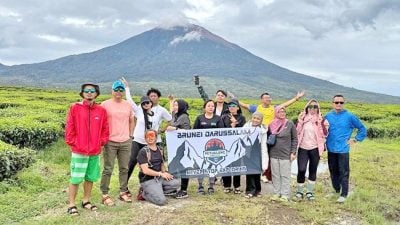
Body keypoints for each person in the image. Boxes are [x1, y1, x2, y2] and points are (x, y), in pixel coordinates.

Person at [229, 91, 305, 183]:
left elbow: (285, 105)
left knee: (269, 153)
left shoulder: (274, 108)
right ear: (261, 100)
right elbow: (244, 105)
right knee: (257, 153)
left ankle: (266, 174)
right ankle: (257, 171)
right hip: (258, 133)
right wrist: (234, 98)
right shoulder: (257, 108)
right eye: (266, 98)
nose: (269, 99)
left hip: (270, 134)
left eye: (269, 98)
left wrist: (296, 98)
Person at [65, 83, 109, 215]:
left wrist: (101, 142)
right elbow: (69, 127)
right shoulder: (75, 108)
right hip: (79, 150)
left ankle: (86, 200)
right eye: (86, 91)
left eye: (92, 91)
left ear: (96, 94)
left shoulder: (101, 111)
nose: (89, 93)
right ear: (82, 93)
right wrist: (73, 142)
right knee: (75, 178)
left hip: (94, 151)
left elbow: (105, 129)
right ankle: (71, 204)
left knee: (90, 177)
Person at [121, 78, 172, 185]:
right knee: (132, 162)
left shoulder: (161, 110)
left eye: (155, 96)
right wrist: (127, 88)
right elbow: (129, 101)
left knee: (157, 163)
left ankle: (159, 183)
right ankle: (124, 186)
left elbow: (170, 120)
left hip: (154, 141)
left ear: (158, 97)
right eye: (150, 96)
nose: (152, 98)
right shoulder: (140, 109)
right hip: (139, 140)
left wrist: (161, 129)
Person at [325, 94, 366, 203]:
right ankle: (337, 190)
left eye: (341, 102)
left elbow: (362, 129)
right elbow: (321, 129)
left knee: (343, 172)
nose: (339, 104)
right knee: (333, 171)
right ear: (332, 103)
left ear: (344, 104)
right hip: (331, 148)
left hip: (343, 149)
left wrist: (355, 139)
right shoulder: (328, 116)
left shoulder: (350, 116)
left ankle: (344, 194)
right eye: (336, 102)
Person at [100, 80, 135, 205]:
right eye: (116, 90)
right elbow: (100, 122)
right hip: (110, 141)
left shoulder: (127, 105)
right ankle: (104, 194)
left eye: (121, 90)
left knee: (124, 168)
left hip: (125, 141)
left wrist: (130, 135)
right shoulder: (104, 104)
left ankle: (123, 192)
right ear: (112, 91)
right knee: (108, 168)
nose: (119, 92)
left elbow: (131, 120)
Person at [295, 100, 329, 201]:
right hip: (302, 148)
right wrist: (300, 121)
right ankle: (299, 191)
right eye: (310, 106)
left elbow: (325, 133)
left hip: (315, 148)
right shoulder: (302, 118)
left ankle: (309, 192)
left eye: (315, 107)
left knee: (312, 170)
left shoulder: (322, 120)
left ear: (318, 108)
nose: (312, 109)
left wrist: (320, 122)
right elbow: (297, 131)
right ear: (307, 108)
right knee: (301, 169)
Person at [137, 129, 180, 206]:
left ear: (156, 138)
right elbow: (145, 171)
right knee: (161, 201)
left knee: (177, 183)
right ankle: (144, 193)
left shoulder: (160, 149)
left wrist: (166, 173)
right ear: (145, 138)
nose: (150, 138)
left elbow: (162, 165)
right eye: (147, 136)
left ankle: (156, 190)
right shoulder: (143, 152)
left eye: (152, 136)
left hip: (159, 178)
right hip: (148, 180)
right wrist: (160, 174)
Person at [193, 100, 224, 195]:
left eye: (212, 106)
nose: (211, 107)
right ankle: (200, 186)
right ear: (204, 108)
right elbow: (194, 132)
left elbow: (222, 132)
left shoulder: (218, 118)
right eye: (209, 106)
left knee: (212, 165)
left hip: (213, 147)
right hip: (200, 147)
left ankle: (211, 186)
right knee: (200, 166)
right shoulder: (199, 118)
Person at [269, 107, 298, 202]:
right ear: (276, 113)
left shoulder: (289, 123)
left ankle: (285, 194)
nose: (282, 113)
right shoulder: (272, 124)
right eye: (280, 111)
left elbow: (294, 138)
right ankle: (277, 193)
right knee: (275, 175)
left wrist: (293, 152)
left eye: (284, 111)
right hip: (273, 154)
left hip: (286, 154)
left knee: (285, 175)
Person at [166, 95, 191, 199]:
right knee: (174, 165)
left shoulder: (183, 116)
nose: (175, 107)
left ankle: (184, 190)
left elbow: (188, 131)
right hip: (175, 145)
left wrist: (175, 129)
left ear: (181, 107)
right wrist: (171, 101)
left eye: (177, 105)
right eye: (174, 105)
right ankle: (173, 188)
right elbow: (171, 111)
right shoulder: (175, 115)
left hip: (183, 146)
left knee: (184, 166)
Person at [221, 99, 246, 194]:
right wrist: (231, 127)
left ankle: (237, 186)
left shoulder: (242, 118)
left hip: (237, 144)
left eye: (234, 106)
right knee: (226, 164)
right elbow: (221, 130)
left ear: (238, 108)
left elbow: (244, 130)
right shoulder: (223, 117)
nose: (232, 108)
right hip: (226, 144)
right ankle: (227, 185)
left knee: (236, 165)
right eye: (230, 106)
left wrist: (236, 123)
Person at [243, 112, 268, 198]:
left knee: (257, 172)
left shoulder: (263, 130)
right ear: (251, 118)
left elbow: (264, 144)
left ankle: (257, 190)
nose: (256, 120)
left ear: (261, 120)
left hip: (258, 152)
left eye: (258, 119)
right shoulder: (246, 127)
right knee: (249, 172)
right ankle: (249, 190)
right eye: (254, 118)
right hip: (248, 152)